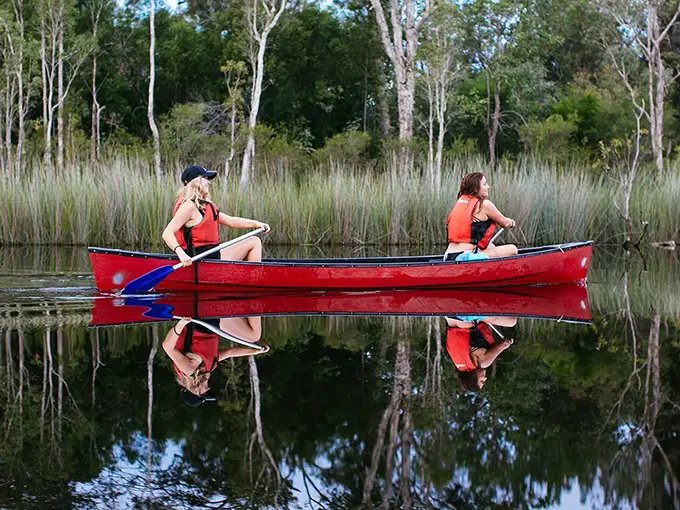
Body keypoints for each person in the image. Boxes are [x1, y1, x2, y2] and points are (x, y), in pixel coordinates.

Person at [161, 165, 270, 267]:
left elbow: (230, 221)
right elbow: (167, 233)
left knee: (249, 242)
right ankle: (254, 279)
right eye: (205, 178)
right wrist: (181, 254)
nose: (209, 182)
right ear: (195, 182)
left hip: (211, 255)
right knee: (254, 241)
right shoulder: (189, 206)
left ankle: (246, 278)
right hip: (202, 260)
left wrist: (256, 224)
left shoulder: (203, 206)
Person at [162, 315, 269, 406]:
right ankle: (250, 303)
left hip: (200, 322)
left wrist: (180, 325)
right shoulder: (208, 368)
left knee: (253, 335)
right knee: (252, 335)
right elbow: (229, 353)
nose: (207, 389)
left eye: (203, 393)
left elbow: (167, 347)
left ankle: (255, 301)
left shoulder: (188, 369)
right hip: (213, 325)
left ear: (194, 390)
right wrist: (255, 351)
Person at [445, 172, 518, 260]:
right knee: (513, 249)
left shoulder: (461, 204)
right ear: (476, 189)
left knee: (491, 246)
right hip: (464, 257)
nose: (488, 186)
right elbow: (505, 223)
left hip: (449, 256)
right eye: (484, 184)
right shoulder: (485, 205)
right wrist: (512, 222)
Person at [444, 315, 516, 391]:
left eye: (482, 381)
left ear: (473, 378)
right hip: (449, 317)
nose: (485, 378)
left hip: (467, 317)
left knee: (512, 321)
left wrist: (509, 342)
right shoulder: (457, 361)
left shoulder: (483, 363)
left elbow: (504, 343)